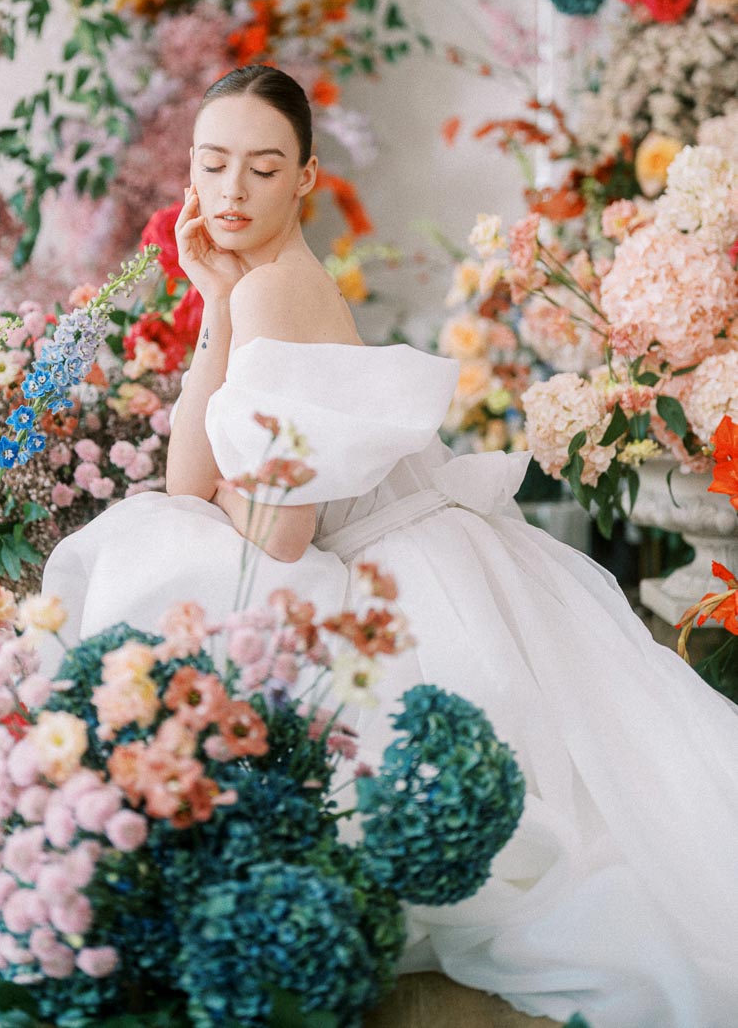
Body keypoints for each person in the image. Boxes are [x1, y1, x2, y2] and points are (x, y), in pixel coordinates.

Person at [42, 65, 738, 1028]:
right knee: (164, 536)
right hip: (412, 550)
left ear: (306, 179)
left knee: (158, 557)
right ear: (190, 179)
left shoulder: (279, 292)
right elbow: (190, 485)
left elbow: (275, 533)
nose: (232, 192)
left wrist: (213, 507)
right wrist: (210, 297)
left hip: (397, 564)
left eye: (262, 167)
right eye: (212, 166)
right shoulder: (254, 286)